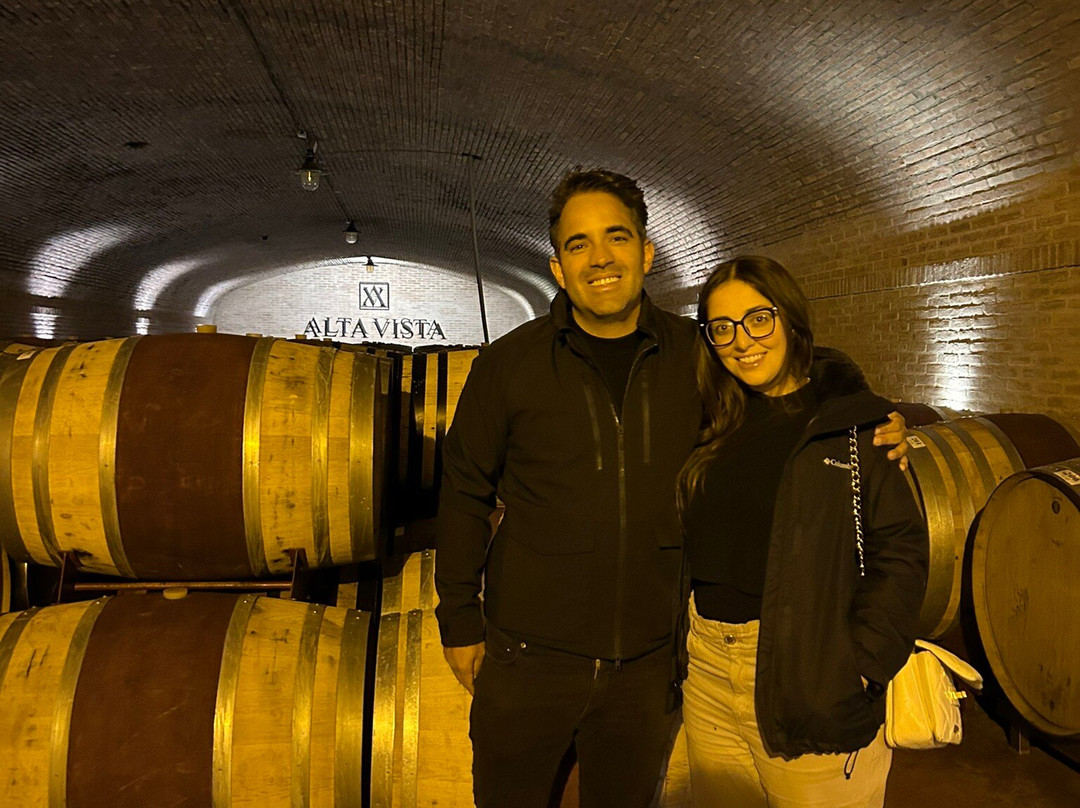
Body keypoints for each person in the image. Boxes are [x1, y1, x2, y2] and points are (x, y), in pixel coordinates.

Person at [434, 171, 909, 807]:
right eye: (578, 244)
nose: (600, 258)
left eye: (616, 237)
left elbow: (784, 369)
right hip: (527, 660)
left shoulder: (696, 354)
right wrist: (459, 619)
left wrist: (862, 406)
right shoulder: (508, 364)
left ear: (647, 253)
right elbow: (463, 490)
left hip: (648, 667)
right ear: (557, 268)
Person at [678, 255, 928, 808]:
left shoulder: (850, 425)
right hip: (707, 668)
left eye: (758, 319)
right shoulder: (708, 419)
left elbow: (901, 549)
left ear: (790, 319)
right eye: (722, 328)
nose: (742, 341)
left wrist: (863, 665)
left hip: (811, 667)